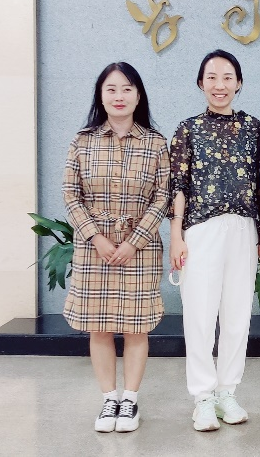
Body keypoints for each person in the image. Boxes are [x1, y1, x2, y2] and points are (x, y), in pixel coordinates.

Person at [61, 61, 170, 433]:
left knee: (137, 326)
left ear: (138, 96)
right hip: (95, 249)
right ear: (101, 96)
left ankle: (131, 400)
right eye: (111, 89)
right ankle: (110, 399)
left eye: (126, 89)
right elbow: (71, 195)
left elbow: (162, 197)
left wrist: (134, 242)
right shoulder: (83, 141)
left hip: (140, 249)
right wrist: (97, 238)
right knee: (99, 326)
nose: (119, 96)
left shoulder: (155, 143)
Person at [168, 50, 260, 432]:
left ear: (238, 83)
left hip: (242, 229)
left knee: (237, 316)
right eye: (211, 77)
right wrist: (176, 236)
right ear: (200, 83)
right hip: (200, 230)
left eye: (227, 77)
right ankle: (203, 398)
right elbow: (178, 185)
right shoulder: (188, 129)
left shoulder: (253, 128)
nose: (219, 85)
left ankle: (228, 392)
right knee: (199, 315)